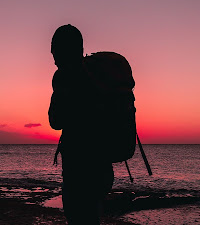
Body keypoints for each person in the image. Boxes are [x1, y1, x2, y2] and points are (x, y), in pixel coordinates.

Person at [48, 24, 114, 225]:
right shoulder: (97, 75)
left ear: (61, 50)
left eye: (54, 49)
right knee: (91, 218)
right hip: (102, 167)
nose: (52, 57)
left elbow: (55, 121)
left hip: (79, 169)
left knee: (79, 217)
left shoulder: (65, 76)